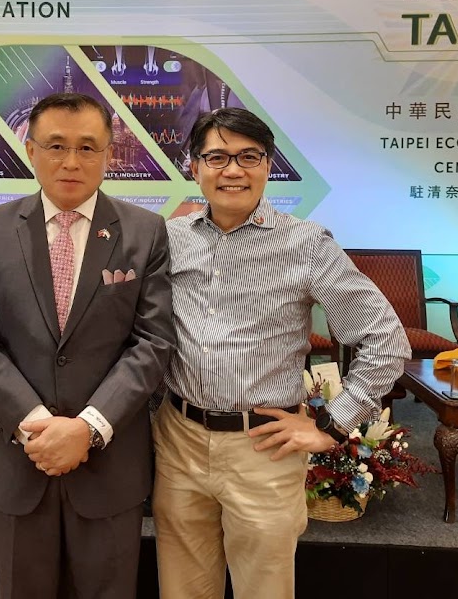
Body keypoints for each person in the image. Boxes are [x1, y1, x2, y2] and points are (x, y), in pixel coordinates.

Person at [154, 107, 410, 599]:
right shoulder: (169, 239)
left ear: (268, 165)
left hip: (264, 448)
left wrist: (332, 425)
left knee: (264, 589)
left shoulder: (306, 245)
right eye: (217, 157)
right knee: (182, 588)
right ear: (195, 166)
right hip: (179, 440)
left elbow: (385, 339)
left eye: (248, 156)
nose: (233, 170)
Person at [0, 92, 175, 599]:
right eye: (56, 146)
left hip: (108, 463)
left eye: (87, 147)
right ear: (31, 150)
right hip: (21, 458)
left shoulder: (144, 232)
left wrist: (88, 428)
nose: (71, 161)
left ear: (109, 154)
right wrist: (35, 423)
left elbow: (153, 341)